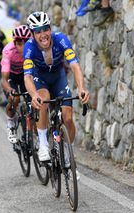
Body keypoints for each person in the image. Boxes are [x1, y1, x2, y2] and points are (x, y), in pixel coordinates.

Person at [23, 12, 90, 162]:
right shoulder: (29, 47)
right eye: (38, 31)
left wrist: (81, 88)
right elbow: (27, 77)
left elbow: (75, 65)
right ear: (32, 34)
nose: (43, 35)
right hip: (40, 79)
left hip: (58, 77)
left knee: (67, 118)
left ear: (50, 29)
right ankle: (43, 144)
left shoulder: (60, 39)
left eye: (45, 29)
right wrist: (34, 95)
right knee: (43, 99)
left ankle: (67, 151)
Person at [0, 25, 31, 143]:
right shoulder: (8, 50)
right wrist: (10, 90)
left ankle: (33, 134)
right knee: (15, 98)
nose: (23, 47)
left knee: (33, 103)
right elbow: (4, 79)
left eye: (26, 43)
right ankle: (11, 122)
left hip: (25, 75)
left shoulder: (34, 49)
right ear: (14, 42)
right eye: (19, 43)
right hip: (11, 76)